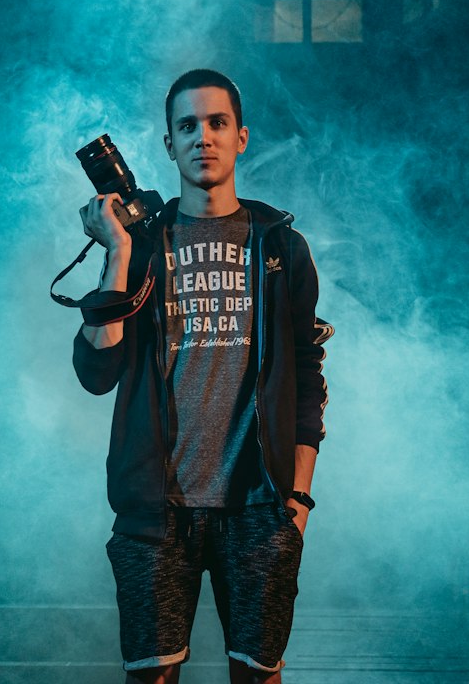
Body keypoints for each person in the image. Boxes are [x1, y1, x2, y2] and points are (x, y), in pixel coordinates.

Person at [72, 68, 332, 683]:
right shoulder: (143, 247)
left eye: (217, 123)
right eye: (187, 126)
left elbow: (307, 372)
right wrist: (116, 255)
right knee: (152, 676)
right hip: (157, 511)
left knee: (257, 675)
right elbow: (96, 371)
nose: (203, 137)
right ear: (168, 144)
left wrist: (297, 499)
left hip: (260, 506)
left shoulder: (280, 248)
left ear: (241, 137)